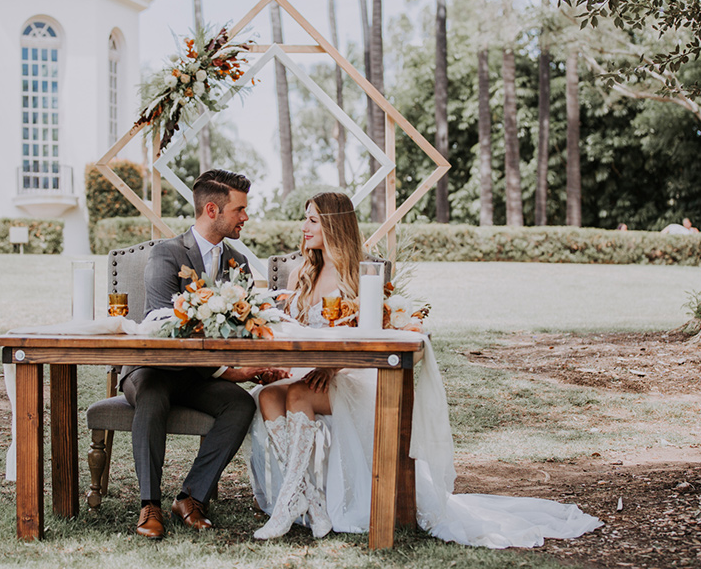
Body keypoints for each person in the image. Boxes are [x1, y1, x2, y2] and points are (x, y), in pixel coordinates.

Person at [249, 192, 603, 547]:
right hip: (309, 372)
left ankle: (287, 509)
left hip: (351, 374)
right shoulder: (300, 274)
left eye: (312, 220)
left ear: (333, 225)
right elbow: (292, 333)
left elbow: (371, 331)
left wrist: (334, 366)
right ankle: (309, 499)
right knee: (267, 396)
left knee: (296, 395)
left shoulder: (359, 274)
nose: (304, 227)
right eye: (305, 219)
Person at [122, 169, 288, 539]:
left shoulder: (238, 263)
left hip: (199, 376)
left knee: (240, 405)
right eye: (240, 209)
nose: (245, 217)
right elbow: (165, 328)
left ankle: (191, 497)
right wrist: (231, 372)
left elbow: (243, 327)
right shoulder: (166, 254)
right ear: (212, 210)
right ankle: (149, 504)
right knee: (152, 393)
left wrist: (257, 365)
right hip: (153, 369)